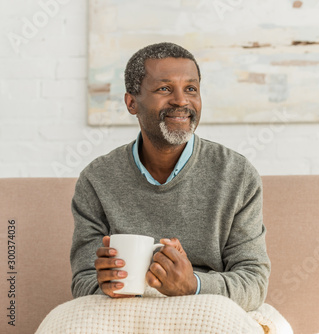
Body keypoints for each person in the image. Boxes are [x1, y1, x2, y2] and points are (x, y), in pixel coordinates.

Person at [70, 42, 271, 312]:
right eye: (165, 88)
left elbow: (254, 283)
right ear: (132, 102)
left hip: (209, 310)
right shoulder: (96, 180)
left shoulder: (237, 175)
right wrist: (103, 284)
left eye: (191, 88)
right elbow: (83, 281)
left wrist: (193, 285)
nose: (181, 100)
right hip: (122, 311)